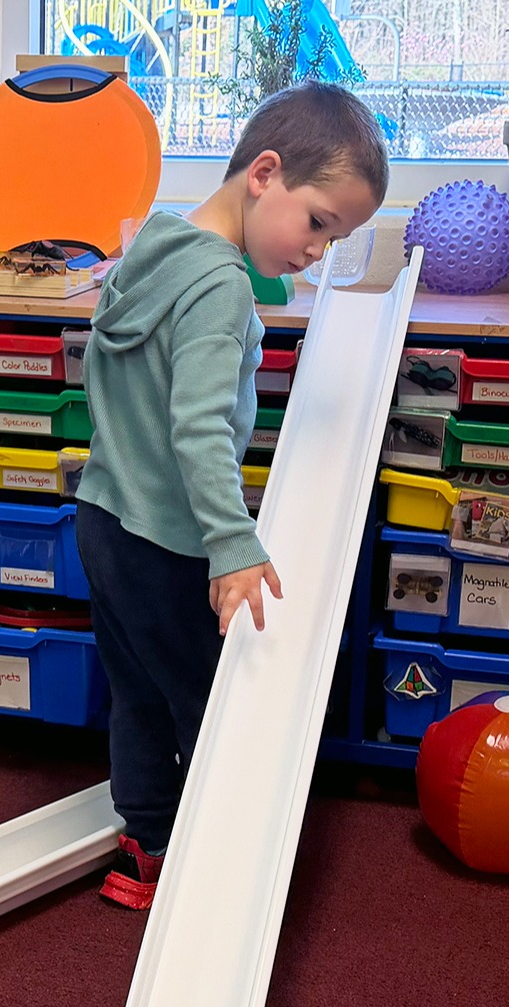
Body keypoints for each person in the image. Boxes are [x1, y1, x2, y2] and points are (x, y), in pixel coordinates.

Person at [76, 80, 388, 910]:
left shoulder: (158, 242)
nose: (318, 251)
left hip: (103, 517)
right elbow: (200, 429)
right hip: (165, 538)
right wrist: (233, 539)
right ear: (265, 174)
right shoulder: (219, 286)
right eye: (319, 222)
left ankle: (142, 847)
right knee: (209, 701)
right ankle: (215, 876)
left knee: (136, 690)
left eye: (336, 238)